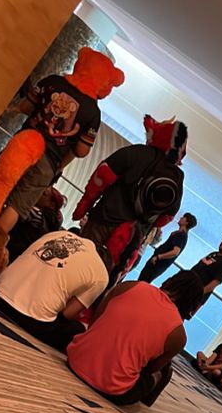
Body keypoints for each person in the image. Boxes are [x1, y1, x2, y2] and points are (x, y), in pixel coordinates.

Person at [0, 49, 124, 271]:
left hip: (22, 144)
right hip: (48, 161)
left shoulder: (52, 81)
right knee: (18, 204)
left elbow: (26, 106)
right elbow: (82, 150)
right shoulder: (93, 112)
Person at [73, 114, 187, 287]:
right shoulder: (177, 176)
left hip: (104, 219)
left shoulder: (139, 152)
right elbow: (166, 217)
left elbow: (102, 175)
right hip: (132, 236)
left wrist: (83, 206)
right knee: (101, 278)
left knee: (78, 260)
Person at [67, 270, 204, 406]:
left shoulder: (129, 286)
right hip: (114, 391)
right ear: (192, 306)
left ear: (169, 281)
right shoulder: (178, 335)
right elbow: (150, 369)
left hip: (75, 360)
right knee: (161, 373)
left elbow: (94, 321)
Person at [0, 229, 109, 351]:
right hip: (30, 320)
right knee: (78, 330)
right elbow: (66, 314)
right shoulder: (102, 276)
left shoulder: (58, 234)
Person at [7, 186, 66, 262]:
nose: (39, 194)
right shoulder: (52, 219)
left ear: (52, 204)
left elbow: (17, 207)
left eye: (44, 194)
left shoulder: (37, 214)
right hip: (22, 253)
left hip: (13, 248)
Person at [137, 213, 197, 283]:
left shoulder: (181, 236)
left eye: (183, 217)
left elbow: (175, 252)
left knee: (143, 280)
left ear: (186, 222)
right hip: (156, 261)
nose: (181, 218)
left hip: (158, 263)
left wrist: (159, 257)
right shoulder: (178, 233)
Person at [190, 235, 222, 303]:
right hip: (189, 285)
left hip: (195, 295)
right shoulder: (214, 254)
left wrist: (198, 293)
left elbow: (214, 283)